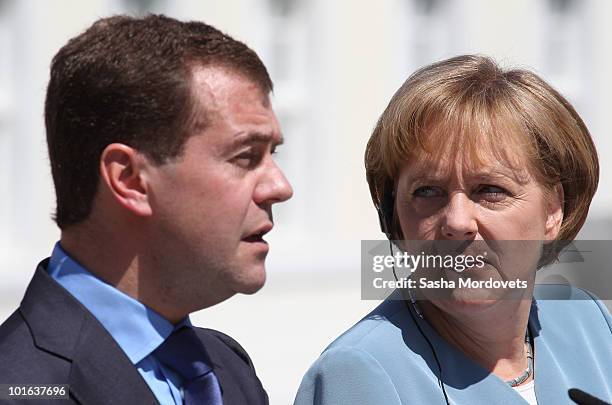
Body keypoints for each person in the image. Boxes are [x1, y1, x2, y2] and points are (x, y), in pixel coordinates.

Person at [0, 14, 292, 405]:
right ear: (130, 179)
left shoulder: (227, 368)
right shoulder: (19, 387)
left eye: (271, 154)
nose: (280, 187)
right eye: (246, 156)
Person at [294, 55, 611, 404]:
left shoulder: (587, 322)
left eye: (490, 190)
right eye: (427, 192)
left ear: (553, 210)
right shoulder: (359, 372)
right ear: (392, 216)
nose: (457, 222)